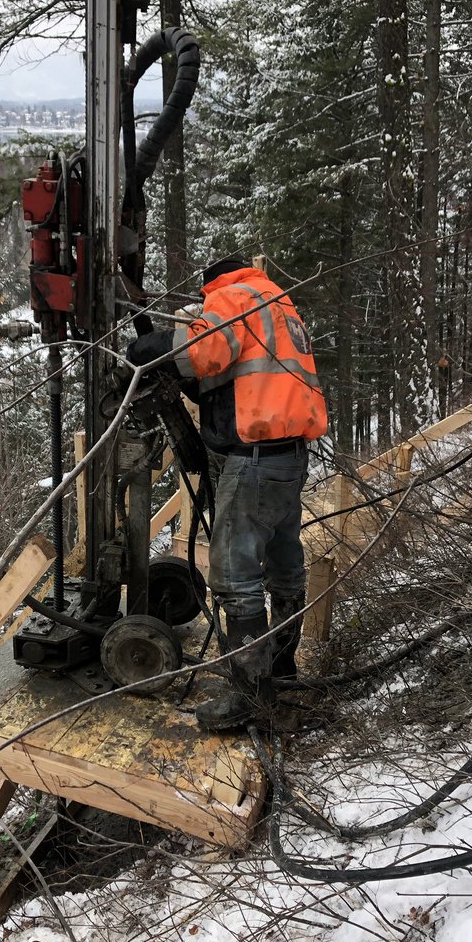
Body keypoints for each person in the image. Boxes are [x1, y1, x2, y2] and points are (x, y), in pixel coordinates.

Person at [126, 257, 328, 730]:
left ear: (210, 286)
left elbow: (201, 350)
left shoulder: (234, 296)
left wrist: (151, 346)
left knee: (234, 574)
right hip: (291, 456)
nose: (202, 305)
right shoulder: (278, 304)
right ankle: (278, 667)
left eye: (203, 299)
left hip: (256, 459)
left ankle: (251, 701)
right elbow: (234, 376)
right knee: (283, 562)